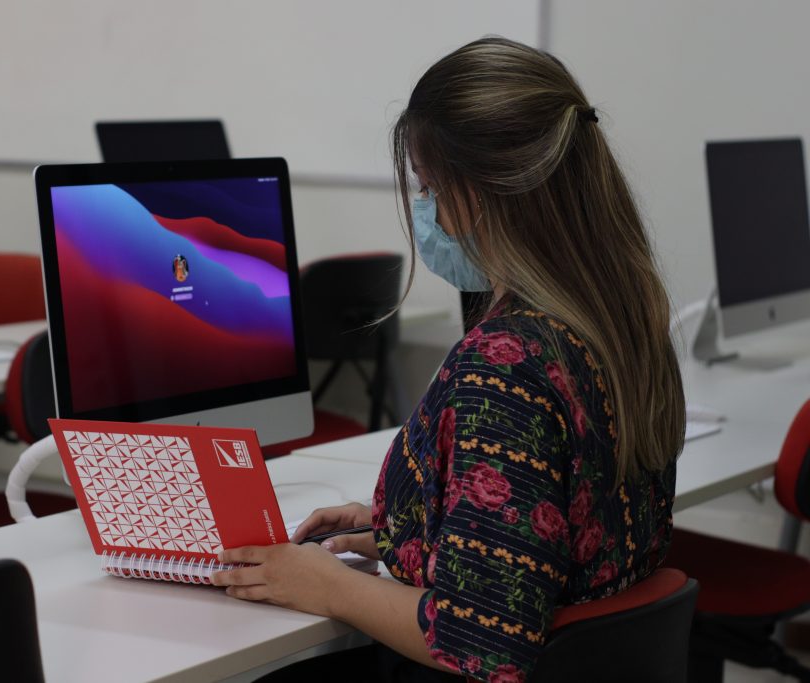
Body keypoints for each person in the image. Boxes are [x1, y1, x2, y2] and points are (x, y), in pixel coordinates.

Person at [211, 36, 685, 682]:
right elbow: (566, 520)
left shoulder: (505, 367)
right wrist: (421, 524)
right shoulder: (625, 322)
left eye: (430, 186)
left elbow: (483, 639)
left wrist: (326, 585)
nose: (425, 208)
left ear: (488, 193)